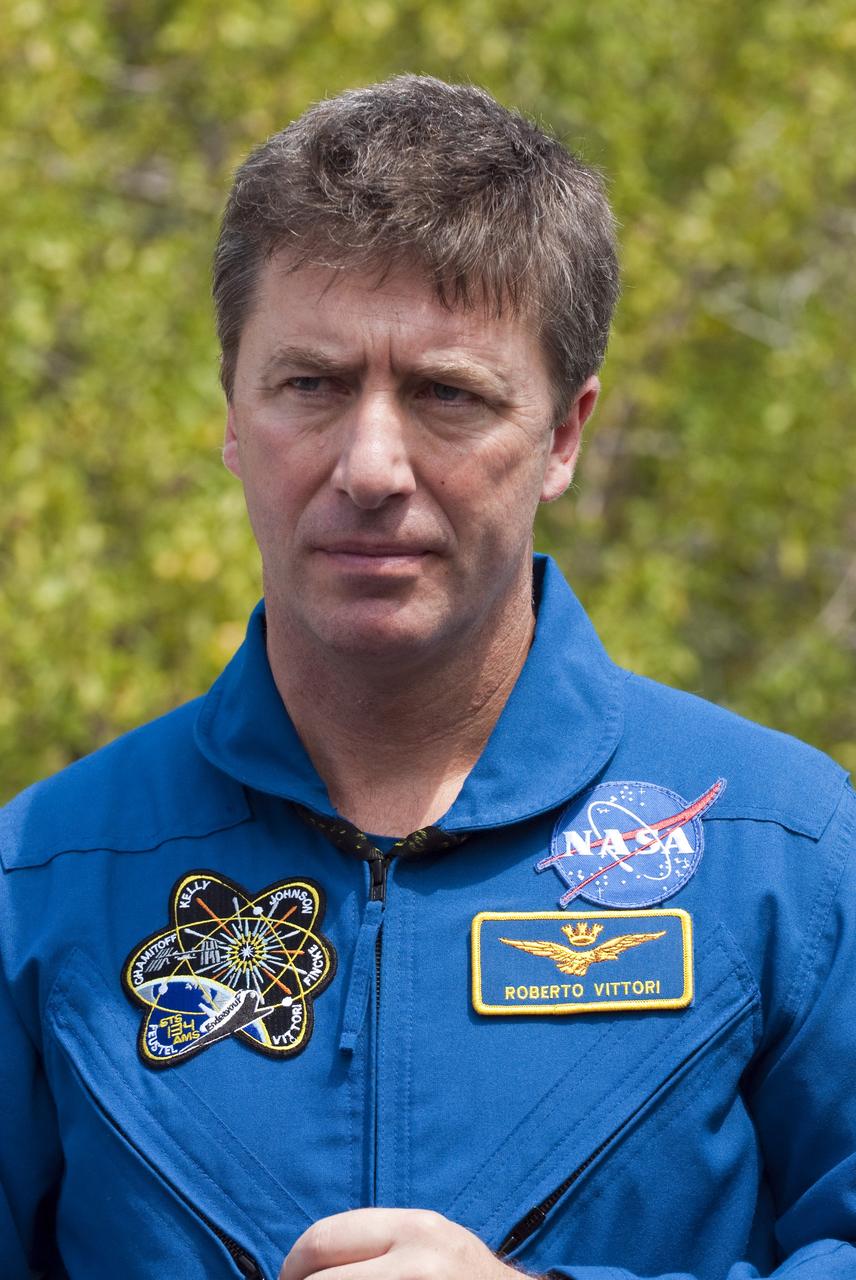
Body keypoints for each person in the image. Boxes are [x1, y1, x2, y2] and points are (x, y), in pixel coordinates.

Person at [0, 73, 853, 1280]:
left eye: (448, 394)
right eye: (312, 385)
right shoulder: (41, 883)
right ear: (232, 416)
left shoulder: (785, 852)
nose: (370, 464)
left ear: (564, 432)